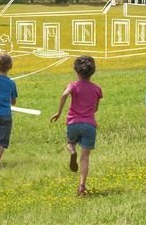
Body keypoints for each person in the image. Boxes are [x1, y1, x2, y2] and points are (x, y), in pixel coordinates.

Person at [51, 56, 103, 196]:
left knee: (70, 143)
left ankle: (72, 151)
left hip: (73, 123)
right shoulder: (97, 89)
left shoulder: (73, 85)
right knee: (85, 157)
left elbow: (64, 95)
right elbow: (95, 109)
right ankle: (81, 186)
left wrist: (59, 112)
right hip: (89, 126)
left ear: (76, 71)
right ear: (92, 71)